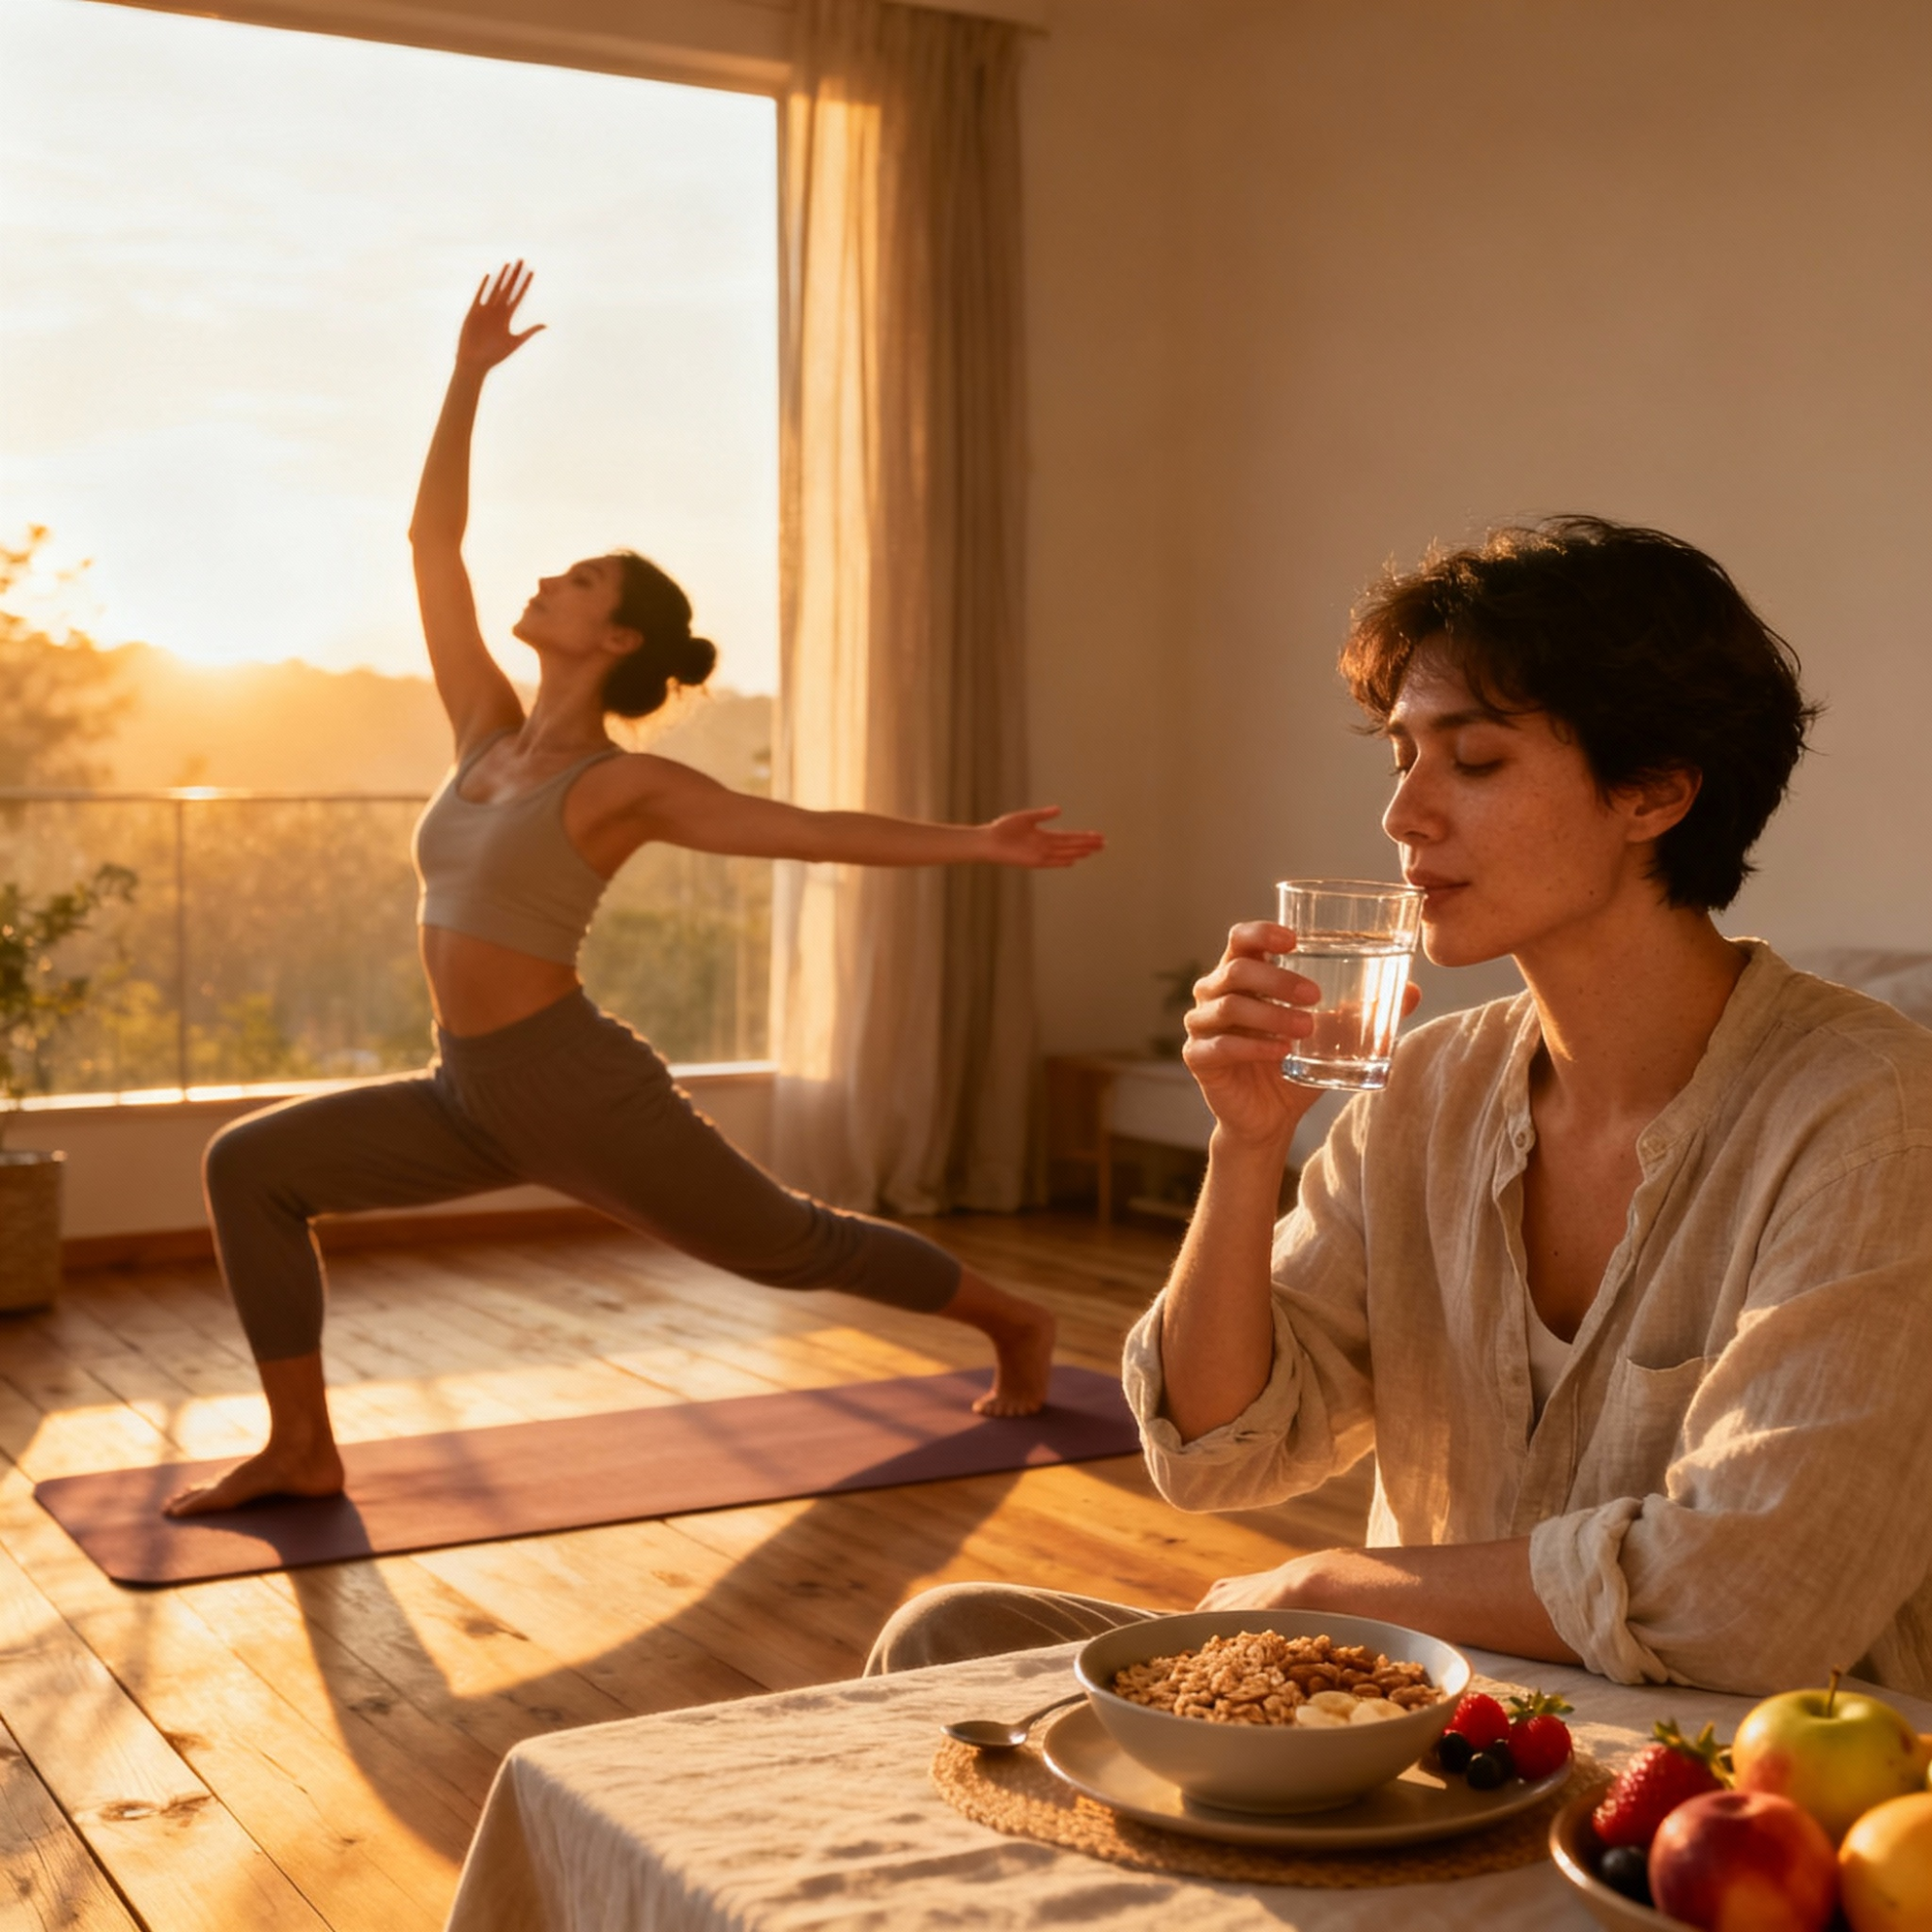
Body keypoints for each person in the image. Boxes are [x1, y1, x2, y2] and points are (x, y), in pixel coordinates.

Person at [869, 515, 1932, 1699]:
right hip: (1425, 1715)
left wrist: (1327, 1590)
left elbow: (1755, 1599)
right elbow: (1224, 1450)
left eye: (1471, 761)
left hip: (1730, 1779)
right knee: (946, 1640)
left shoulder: (1866, 1112)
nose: (1403, 815)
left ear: (1655, 791)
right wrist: (1246, 1143)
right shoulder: (1424, 1086)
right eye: (1400, 757)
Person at [166, 263, 1102, 1518]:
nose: (548, 580)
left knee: (790, 1247)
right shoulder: (483, 734)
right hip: (469, 1087)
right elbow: (427, 543)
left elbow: (807, 828)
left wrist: (977, 843)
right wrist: (465, 377)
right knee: (252, 1164)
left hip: (573, 1083)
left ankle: (1016, 1321)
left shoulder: (625, 787)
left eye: (579, 581)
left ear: (613, 641)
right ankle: (301, 1444)